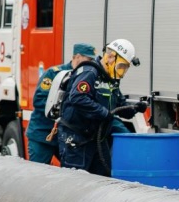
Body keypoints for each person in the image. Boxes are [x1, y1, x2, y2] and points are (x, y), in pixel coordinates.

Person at [58, 38, 147, 176]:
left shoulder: (111, 80)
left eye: (125, 68)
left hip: (96, 139)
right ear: (110, 57)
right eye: (121, 66)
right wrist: (103, 113)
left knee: (104, 181)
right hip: (77, 139)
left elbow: (120, 106)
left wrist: (135, 109)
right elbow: (77, 97)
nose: (122, 72)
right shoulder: (89, 72)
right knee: (75, 182)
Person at [26, 43, 98, 164]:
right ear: (78, 57)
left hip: (65, 138)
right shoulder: (54, 74)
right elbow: (39, 101)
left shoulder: (86, 77)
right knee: (37, 175)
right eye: (89, 60)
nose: (91, 64)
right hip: (43, 134)